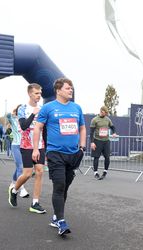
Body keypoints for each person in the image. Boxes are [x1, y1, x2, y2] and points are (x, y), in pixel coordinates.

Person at [32, 77, 86, 236]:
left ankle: (56, 216)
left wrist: (82, 148)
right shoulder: (48, 108)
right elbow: (37, 128)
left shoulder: (77, 108)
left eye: (72, 88)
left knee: (65, 186)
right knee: (59, 185)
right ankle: (61, 222)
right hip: (55, 153)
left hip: (73, 153)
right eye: (68, 88)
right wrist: (36, 149)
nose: (71, 90)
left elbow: (82, 128)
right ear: (58, 90)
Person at [8, 83, 46, 214]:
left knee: (40, 171)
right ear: (30, 94)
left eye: (40, 93)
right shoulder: (23, 108)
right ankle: (14, 190)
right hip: (26, 144)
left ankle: (35, 203)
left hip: (40, 144)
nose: (39, 96)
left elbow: (44, 128)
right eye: (36, 93)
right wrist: (33, 114)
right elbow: (23, 126)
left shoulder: (43, 108)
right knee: (27, 174)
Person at [6, 105, 29, 198]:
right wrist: (12, 113)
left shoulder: (25, 121)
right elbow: (8, 116)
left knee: (18, 167)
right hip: (16, 146)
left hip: (25, 146)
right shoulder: (13, 119)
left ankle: (13, 183)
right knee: (20, 167)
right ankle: (21, 189)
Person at [90, 106, 117, 180]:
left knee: (107, 157)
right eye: (104, 113)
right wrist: (92, 142)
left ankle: (105, 171)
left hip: (106, 141)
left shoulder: (107, 119)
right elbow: (91, 132)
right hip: (97, 140)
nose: (105, 114)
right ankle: (95, 172)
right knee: (96, 157)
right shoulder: (94, 120)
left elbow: (112, 127)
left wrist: (114, 133)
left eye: (106, 113)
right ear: (101, 111)